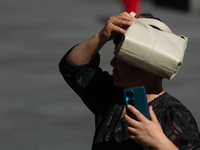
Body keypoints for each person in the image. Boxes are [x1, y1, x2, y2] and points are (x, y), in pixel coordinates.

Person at [59, 12, 200, 150]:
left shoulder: (173, 114)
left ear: (148, 64)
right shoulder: (111, 97)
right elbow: (73, 67)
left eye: (121, 57)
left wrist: (160, 143)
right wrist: (102, 36)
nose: (112, 62)